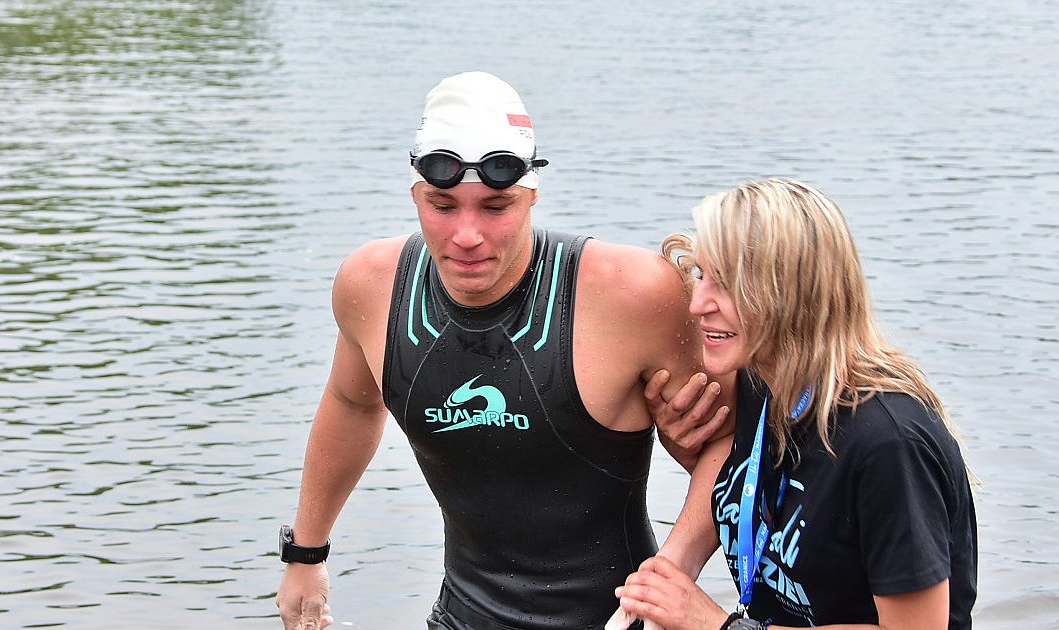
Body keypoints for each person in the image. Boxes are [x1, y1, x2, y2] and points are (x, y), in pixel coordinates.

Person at [275, 71, 734, 630]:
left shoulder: (633, 293)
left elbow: (730, 449)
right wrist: (306, 554)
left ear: (533, 194)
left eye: (496, 207)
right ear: (416, 194)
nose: (468, 235)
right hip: (461, 617)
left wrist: (669, 574)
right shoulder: (370, 285)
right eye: (443, 206)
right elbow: (351, 404)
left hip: (618, 620)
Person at [611, 178, 978, 629]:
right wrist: (672, 568)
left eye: (726, 285)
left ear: (793, 294)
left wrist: (716, 625)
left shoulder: (888, 443)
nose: (698, 304)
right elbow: (738, 471)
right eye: (702, 275)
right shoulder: (759, 379)